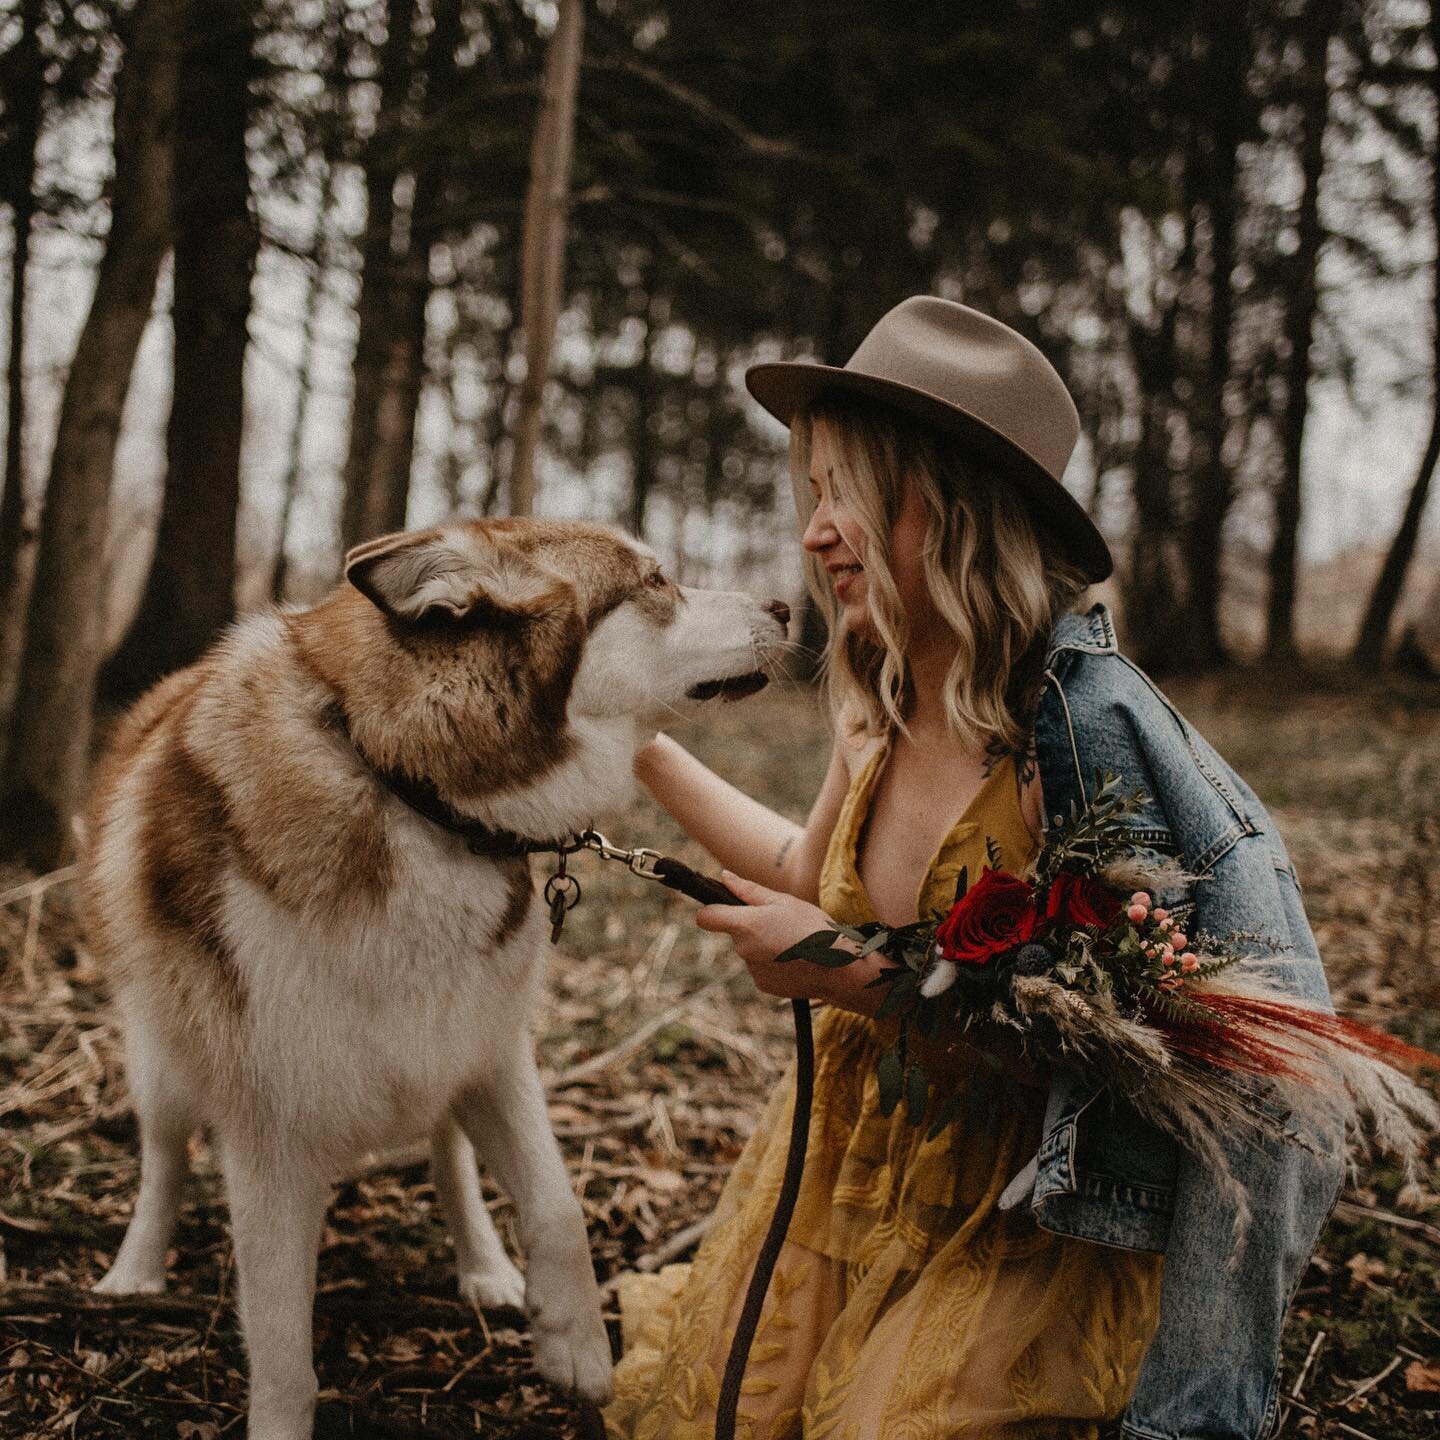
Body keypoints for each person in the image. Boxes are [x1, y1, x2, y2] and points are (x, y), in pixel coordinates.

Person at [601, 297, 1344, 1440]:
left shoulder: (1078, 749)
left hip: (1018, 1213)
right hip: (850, 1175)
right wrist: (636, 743)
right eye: (813, 496)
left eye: (845, 494)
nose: (815, 532)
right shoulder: (885, 695)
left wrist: (853, 980)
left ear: (950, 508)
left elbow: (1127, 1051)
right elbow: (810, 876)